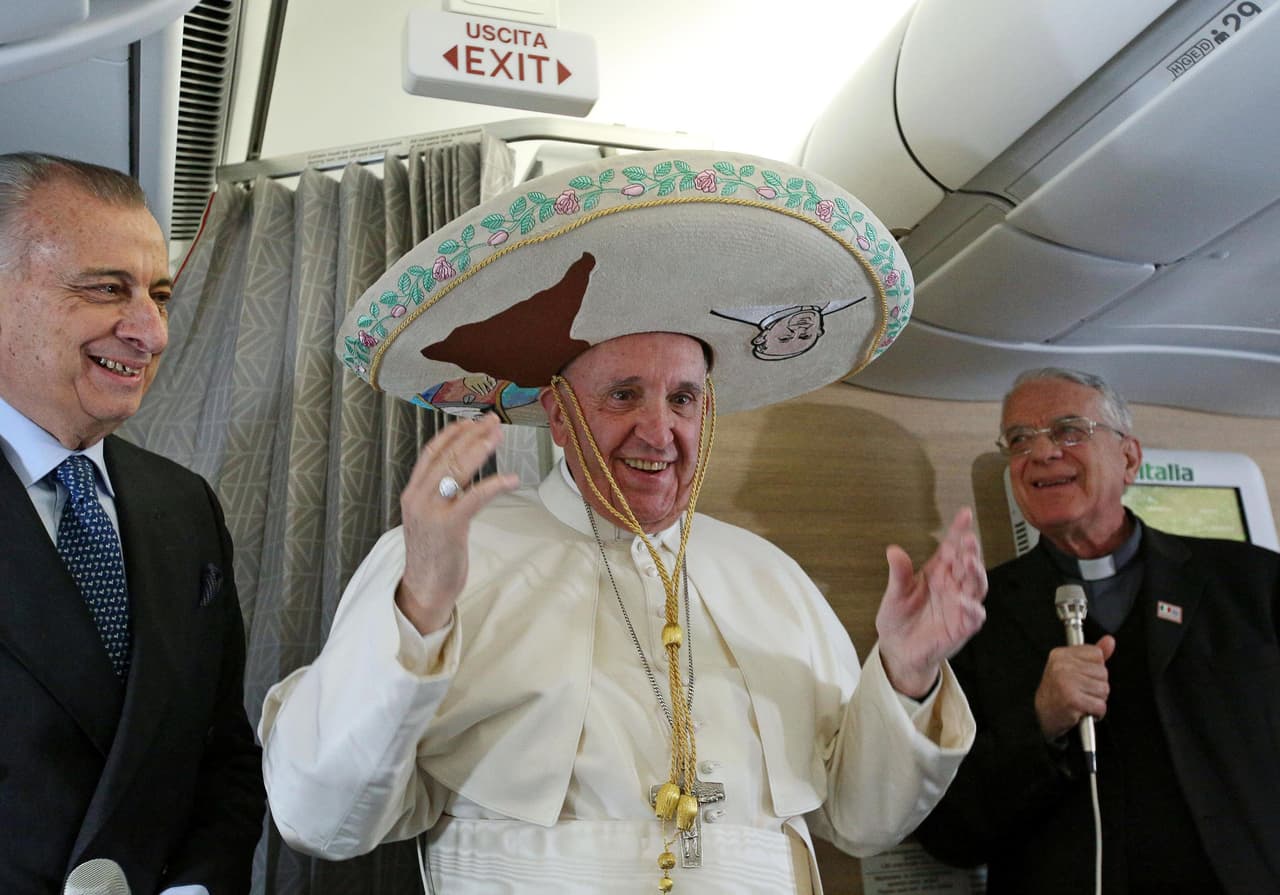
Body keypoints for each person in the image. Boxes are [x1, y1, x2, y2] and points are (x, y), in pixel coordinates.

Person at [260, 149, 986, 894]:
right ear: (559, 417)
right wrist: (416, 610)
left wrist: (906, 672)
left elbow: (861, 821)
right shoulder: (447, 556)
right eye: (623, 395)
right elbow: (320, 817)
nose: (657, 429)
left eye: (683, 399)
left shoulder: (770, 576)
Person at [0, 153, 265, 894]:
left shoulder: (184, 505)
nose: (151, 333)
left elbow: (224, 755)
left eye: (158, 294)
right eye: (107, 289)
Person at [914, 367, 1280, 894]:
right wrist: (1040, 723)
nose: (1041, 453)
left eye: (1068, 431)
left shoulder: (1253, 582)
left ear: (1129, 457)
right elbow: (949, 834)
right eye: (1019, 439)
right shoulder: (968, 618)